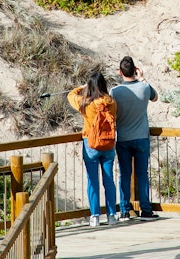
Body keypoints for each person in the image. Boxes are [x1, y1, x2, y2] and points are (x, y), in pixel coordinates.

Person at [110, 56, 158, 220]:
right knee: (142, 174)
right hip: (141, 137)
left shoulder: (115, 92)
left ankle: (124, 209)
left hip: (123, 138)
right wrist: (143, 78)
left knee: (124, 174)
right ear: (135, 70)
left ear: (120, 72)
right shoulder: (144, 87)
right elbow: (155, 97)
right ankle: (146, 209)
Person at [67, 72, 118, 227]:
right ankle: (111, 216)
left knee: (92, 180)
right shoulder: (112, 102)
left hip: (91, 144)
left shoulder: (85, 103)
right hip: (108, 143)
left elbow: (70, 96)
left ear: (90, 86)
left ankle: (95, 216)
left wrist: (81, 88)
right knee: (109, 180)